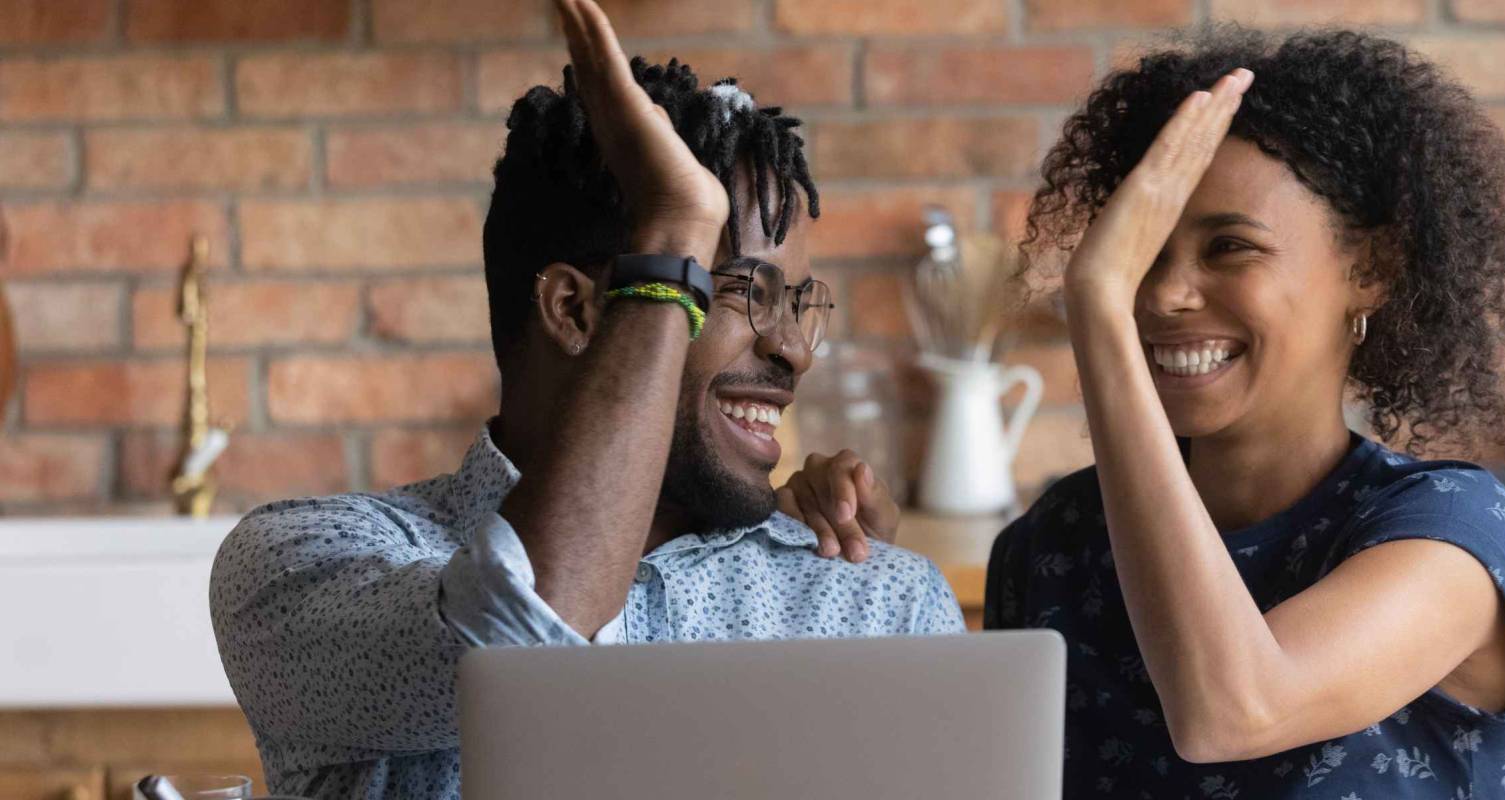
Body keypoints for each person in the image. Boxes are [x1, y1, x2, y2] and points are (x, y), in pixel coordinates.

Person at [210, 2, 961, 797]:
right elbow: (522, 645)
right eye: (747, 292)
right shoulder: (307, 567)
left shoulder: (878, 602)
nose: (795, 349)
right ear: (576, 311)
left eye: (800, 302)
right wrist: (677, 233)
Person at [985, 27, 1505, 798]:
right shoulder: (1056, 541)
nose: (1162, 295)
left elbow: (1233, 711)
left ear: (1371, 268)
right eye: (1142, 255)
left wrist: (1097, 304)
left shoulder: (1451, 532)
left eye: (1229, 247)